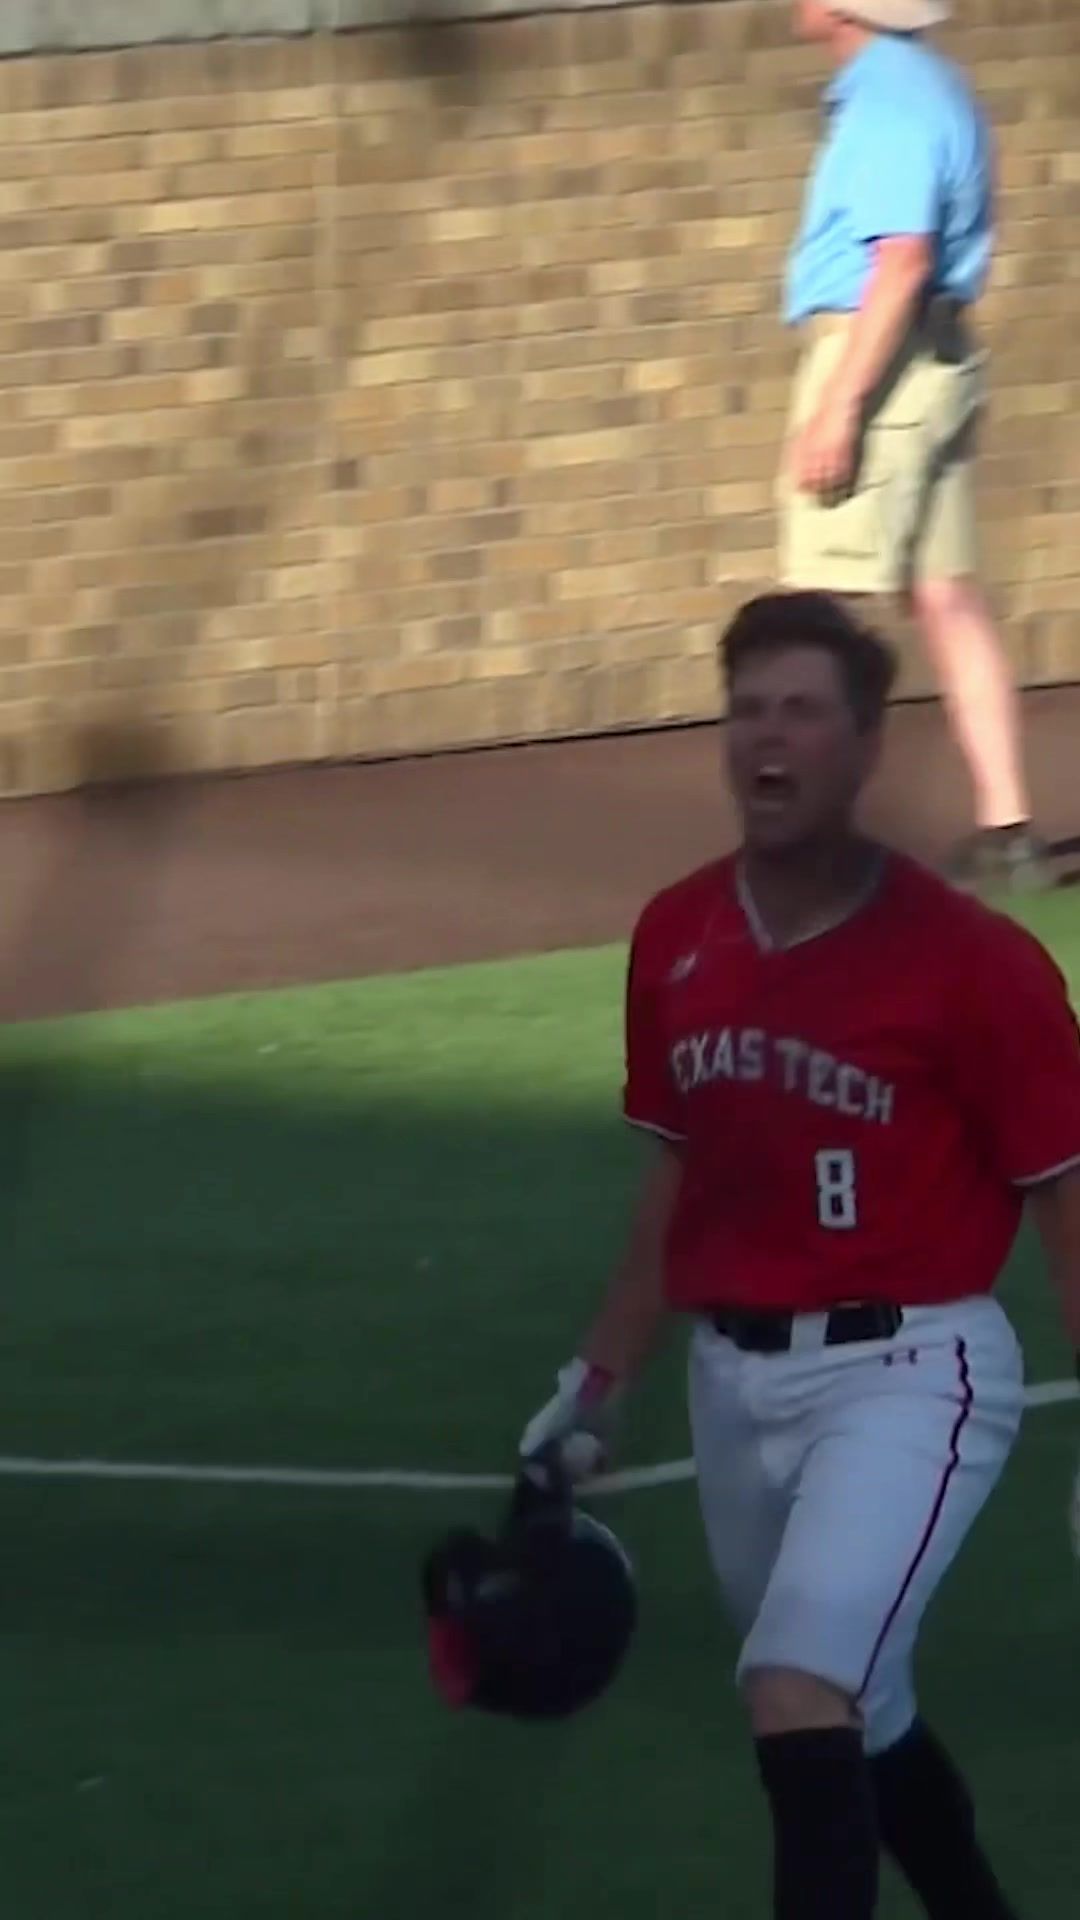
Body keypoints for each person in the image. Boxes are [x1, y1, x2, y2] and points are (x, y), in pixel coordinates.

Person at [518, 591, 1080, 1920]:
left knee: (794, 1690)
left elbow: (1064, 1193)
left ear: (865, 744)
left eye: (802, 711)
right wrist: (597, 1382)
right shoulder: (677, 938)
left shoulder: (972, 965)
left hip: (914, 1369)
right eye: (748, 709)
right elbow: (680, 1174)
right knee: (856, 1711)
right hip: (734, 1386)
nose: (767, 739)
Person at [778, 0, 1050, 894]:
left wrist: (840, 407)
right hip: (935, 355)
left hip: (878, 356)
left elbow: (898, 258)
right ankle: (1006, 829)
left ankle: (815, 841)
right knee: (945, 594)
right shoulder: (928, 84)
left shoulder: (889, 99)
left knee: (823, 612)